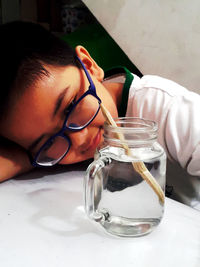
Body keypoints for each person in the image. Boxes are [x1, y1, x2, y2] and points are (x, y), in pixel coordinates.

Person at [0, 21, 199, 210]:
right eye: (47, 142)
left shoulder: (165, 108)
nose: (78, 139)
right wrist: (26, 158)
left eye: (70, 107)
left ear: (89, 66)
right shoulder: (53, 156)